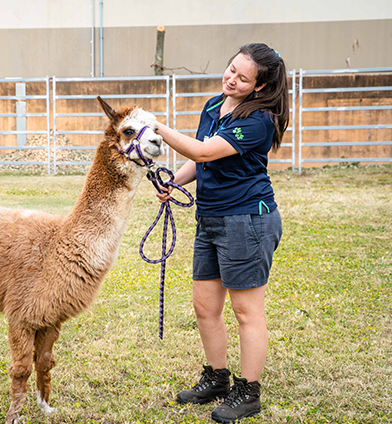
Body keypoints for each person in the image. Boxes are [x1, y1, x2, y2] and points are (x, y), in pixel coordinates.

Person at [153, 43, 288, 423]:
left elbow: (203, 152)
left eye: (242, 78)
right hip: (211, 219)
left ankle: (248, 391)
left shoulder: (259, 120)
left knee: (247, 312)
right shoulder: (214, 105)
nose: (231, 78)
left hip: (247, 220)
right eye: (231, 69)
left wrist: (156, 128)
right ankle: (216, 378)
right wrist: (174, 184)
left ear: (259, 87)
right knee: (205, 308)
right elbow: (199, 161)